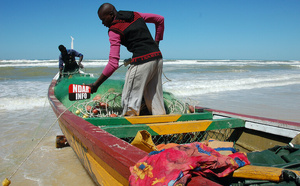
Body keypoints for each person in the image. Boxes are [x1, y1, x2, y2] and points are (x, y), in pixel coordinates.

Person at [88, 3, 166, 116]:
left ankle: (130, 130)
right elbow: (160, 19)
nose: (102, 23)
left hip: (141, 62)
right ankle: (162, 129)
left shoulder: (114, 30)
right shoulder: (135, 15)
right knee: (155, 100)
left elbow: (113, 64)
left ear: (111, 14)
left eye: (103, 19)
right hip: (157, 58)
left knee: (130, 103)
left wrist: (96, 85)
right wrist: (156, 43)